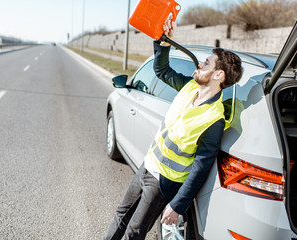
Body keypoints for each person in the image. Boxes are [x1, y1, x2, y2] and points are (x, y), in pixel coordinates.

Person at [102, 18, 243, 240]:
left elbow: (201, 167)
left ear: (219, 75)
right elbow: (162, 70)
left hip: (163, 183)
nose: (200, 64)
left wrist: (178, 205)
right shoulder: (189, 86)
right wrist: (164, 42)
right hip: (146, 166)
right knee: (121, 215)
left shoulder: (213, 119)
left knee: (134, 232)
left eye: (206, 63)